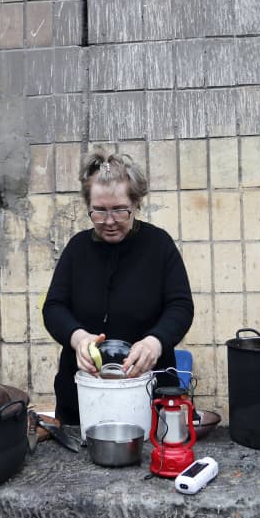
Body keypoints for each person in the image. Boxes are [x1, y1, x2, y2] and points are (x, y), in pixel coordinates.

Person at [42, 149, 194, 425]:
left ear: (136, 203)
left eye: (119, 210)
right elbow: (54, 307)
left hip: (150, 392)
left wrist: (155, 341)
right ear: (88, 206)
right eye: (99, 211)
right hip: (82, 397)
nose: (109, 221)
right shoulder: (77, 249)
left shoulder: (159, 246)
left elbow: (181, 306)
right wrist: (77, 338)